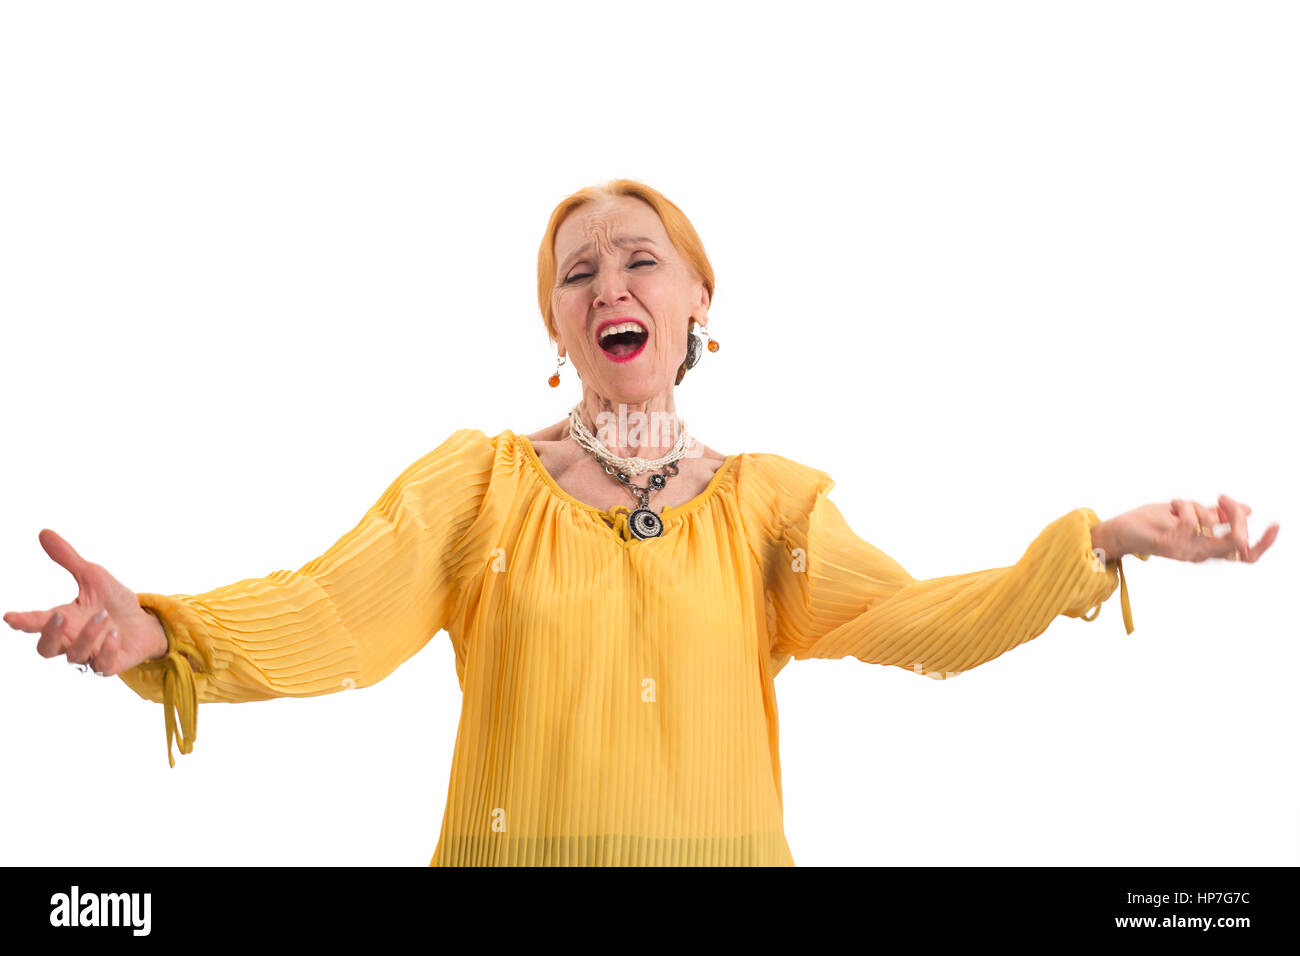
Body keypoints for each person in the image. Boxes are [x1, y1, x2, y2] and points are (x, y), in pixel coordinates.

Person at [4, 178, 1281, 867]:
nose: (608, 281)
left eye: (639, 259)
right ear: (558, 329)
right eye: (577, 271)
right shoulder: (478, 485)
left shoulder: (770, 504)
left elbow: (913, 622)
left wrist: (1099, 542)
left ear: (695, 303)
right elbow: (335, 612)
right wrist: (161, 628)